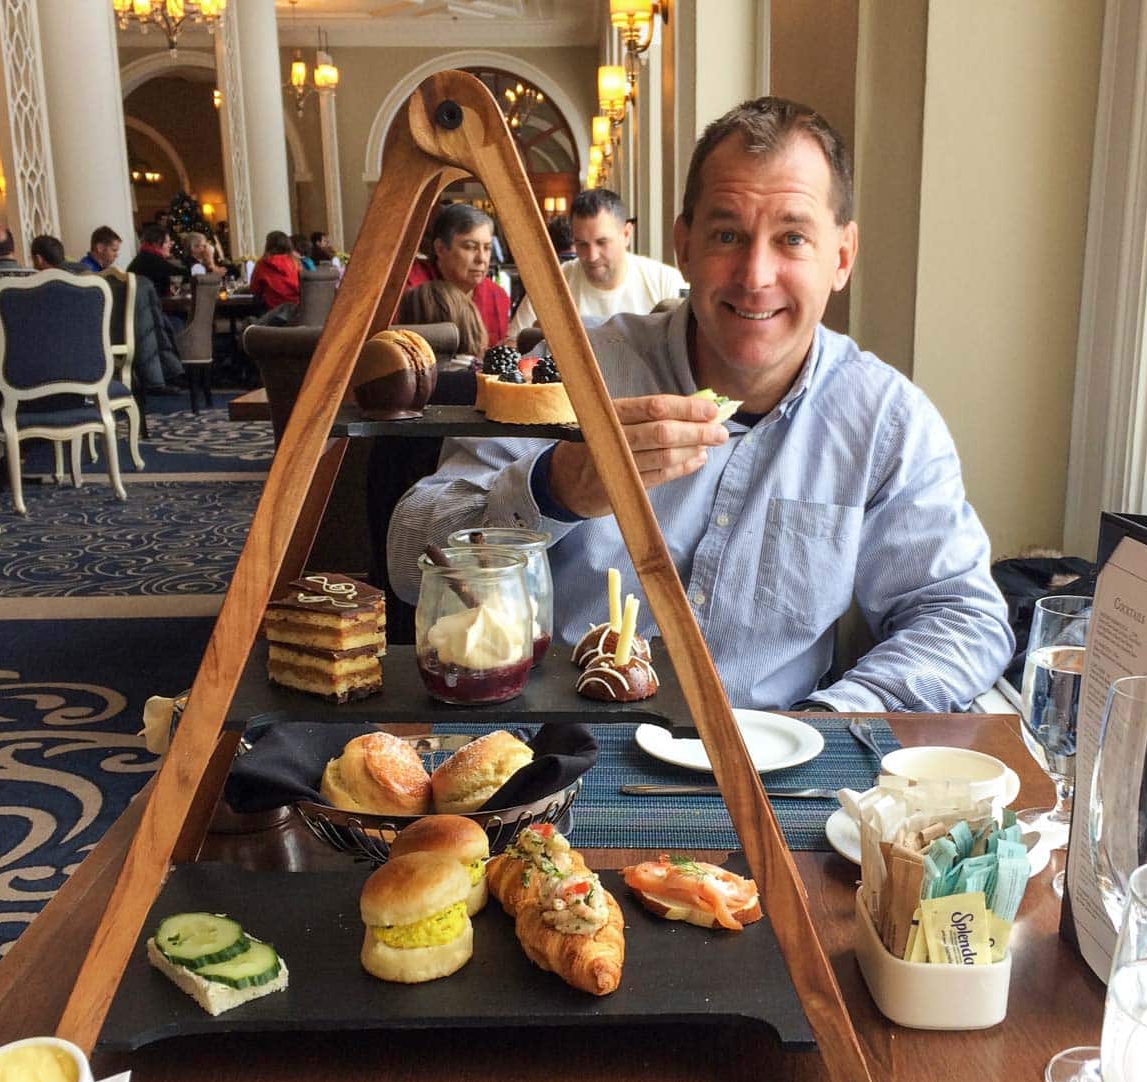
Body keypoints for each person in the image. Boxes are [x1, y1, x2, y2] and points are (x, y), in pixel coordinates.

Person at [388, 97, 1011, 712]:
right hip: (561, 763)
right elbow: (409, 563)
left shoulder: (884, 421)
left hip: (773, 770)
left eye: (792, 237)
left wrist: (825, 723)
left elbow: (963, 617)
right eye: (727, 235)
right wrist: (555, 488)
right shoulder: (574, 372)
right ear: (684, 246)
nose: (755, 274)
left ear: (841, 257)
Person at [507, 188, 683, 338]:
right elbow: (514, 343)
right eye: (581, 244)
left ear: (626, 234)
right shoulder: (552, 284)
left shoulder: (665, 283)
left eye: (602, 242)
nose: (591, 256)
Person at [405, 203, 510, 347]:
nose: (482, 259)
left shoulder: (497, 296)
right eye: (470, 247)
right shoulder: (410, 287)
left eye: (487, 248)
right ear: (440, 248)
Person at [126, 224, 188, 303]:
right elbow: (183, 275)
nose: (170, 245)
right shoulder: (152, 259)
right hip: (149, 311)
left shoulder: (144, 256)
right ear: (156, 243)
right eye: (166, 242)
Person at [247, 229, 300, 320]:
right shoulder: (295, 263)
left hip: (272, 310)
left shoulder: (262, 264)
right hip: (297, 310)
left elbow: (255, 289)